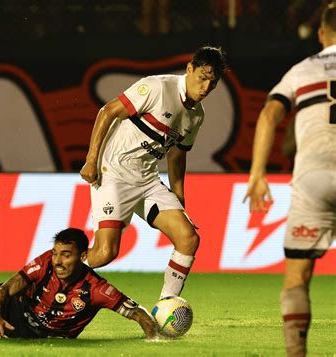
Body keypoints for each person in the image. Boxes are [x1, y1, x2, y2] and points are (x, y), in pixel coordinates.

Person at [80, 46, 227, 300]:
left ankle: (166, 308)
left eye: (212, 83)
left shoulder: (196, 116)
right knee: (104, 253)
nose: (205, 88)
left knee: (188, 239)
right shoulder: (157, 88)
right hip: (114, 172)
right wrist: (91, 159)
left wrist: (179, 196)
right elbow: (108, 111)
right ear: (189, 69)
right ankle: (49, 274)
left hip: (147, 180)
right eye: (202, 78)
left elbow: (178, 153)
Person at [244, 4, 336, 356]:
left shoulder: (303, 68)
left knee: (297, 278)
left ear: (321, 33)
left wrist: (257, 174)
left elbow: (269, 113)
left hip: (312, 178)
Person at [0, 228, 158, 340]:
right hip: (10, 306)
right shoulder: (44, 263)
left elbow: (138, 313)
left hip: (30, 332)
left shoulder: (96, 288)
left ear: (82, 256)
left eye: (66, 255)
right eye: (56, 253)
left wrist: (155, 336)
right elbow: (8, 288)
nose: (58, 261)